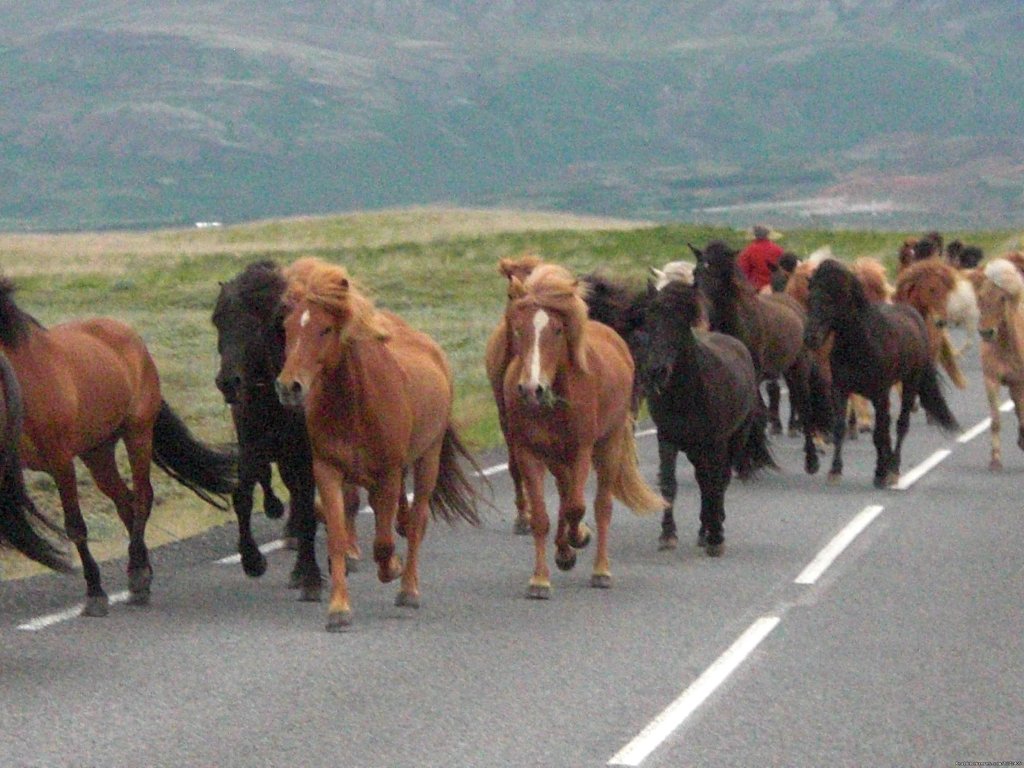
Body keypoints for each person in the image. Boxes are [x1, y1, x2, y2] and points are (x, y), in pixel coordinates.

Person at [737, 224, 784, 291]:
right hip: (776, 288)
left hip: (756, 289)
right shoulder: (779, 250)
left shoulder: (748, 251)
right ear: (768, 235)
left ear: (755, 235)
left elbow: (743, 272)